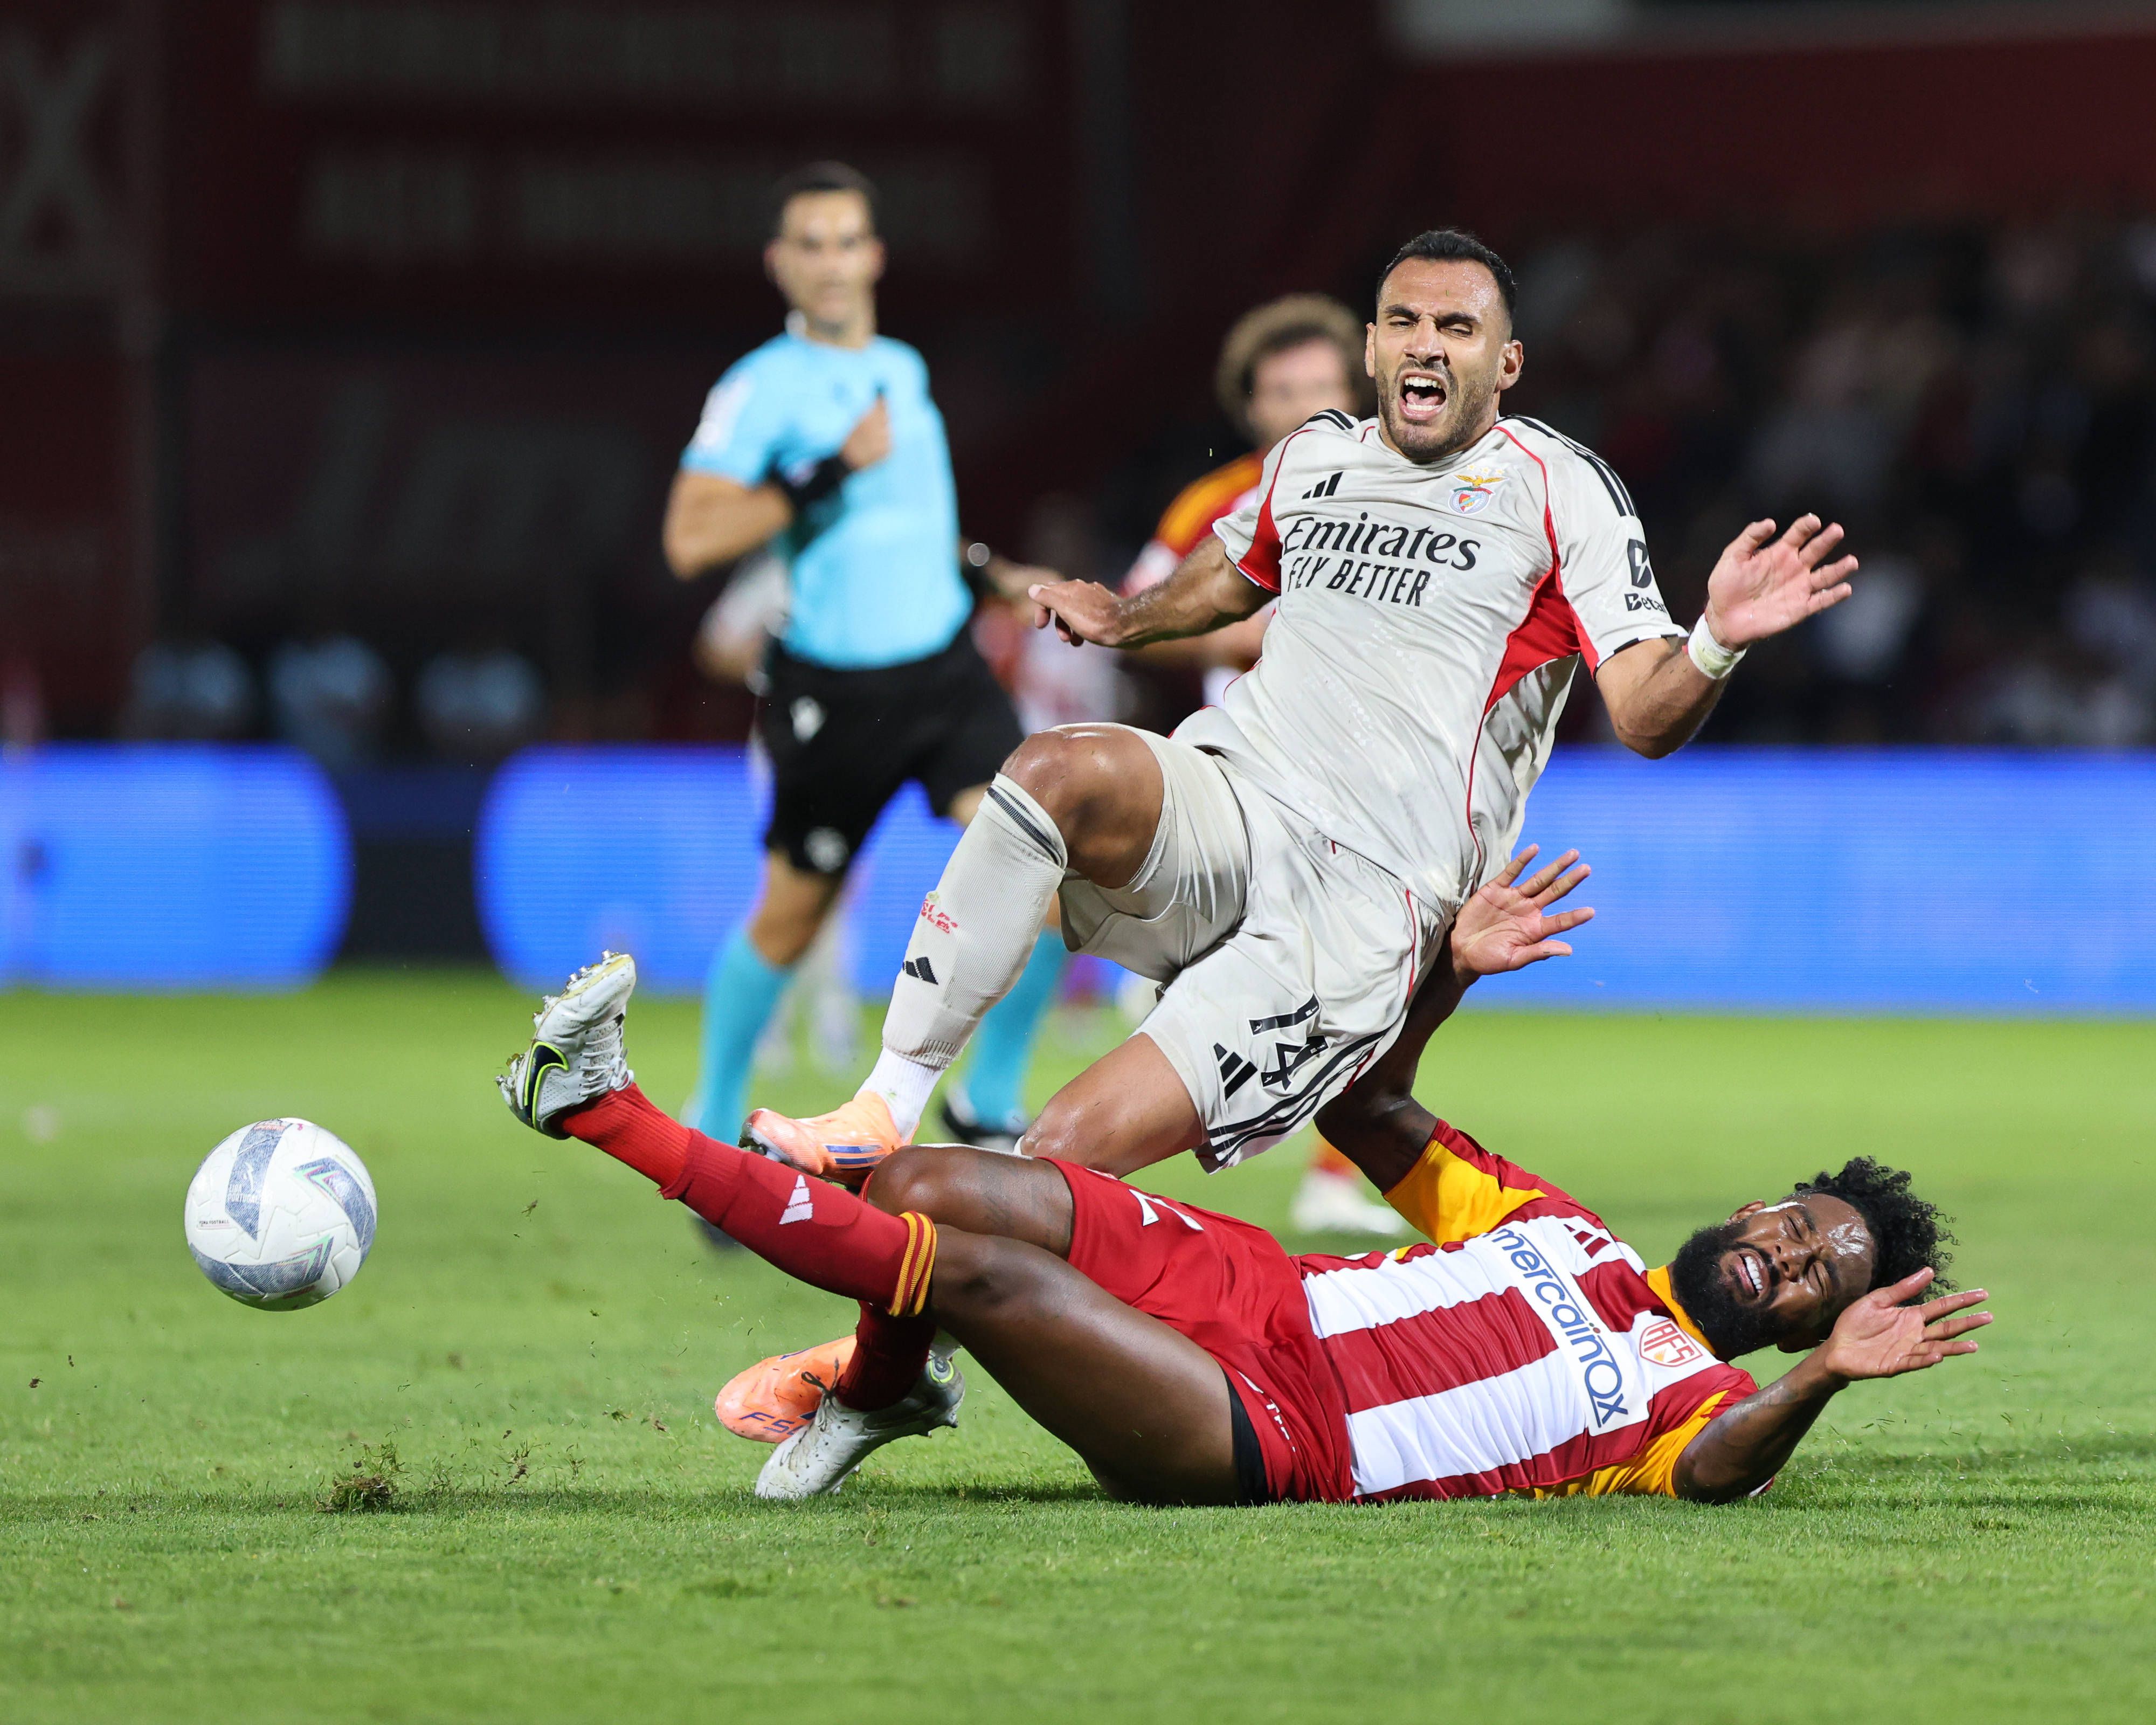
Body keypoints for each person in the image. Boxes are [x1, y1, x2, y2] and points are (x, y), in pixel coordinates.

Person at [741, 226, 1862, 1194]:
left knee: (1054, 1162)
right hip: (1236, 801)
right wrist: (1128, 618)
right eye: (1403, 322)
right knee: (1050, 770)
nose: (1426, 344)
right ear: (1370, 347)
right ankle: (885, 1103)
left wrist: (1715, 638)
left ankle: (893, 1345)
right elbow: (1230, 574)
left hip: (1361, 899)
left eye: (1458, 328)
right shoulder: (1313, 458)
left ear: (1507, 361)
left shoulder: (1560, 487)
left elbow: (1644, 716)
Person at [494, 867, 1987, 1506]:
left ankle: (597, 1106)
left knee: (980, 1275)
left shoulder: (1702, 1411)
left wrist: (1822, 1386)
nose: (1795, 1258)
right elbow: (1370, 1105)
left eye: (1822, 1282)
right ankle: (883, 1392)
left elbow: (1721, 1478)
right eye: (1803, 1225)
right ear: (1759, 1204)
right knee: (929, 1178)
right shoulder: (1557, 1229)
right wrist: (1449, 976)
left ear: (1809, 1328)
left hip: (1275, 1428)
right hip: (1254, 1289)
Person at [660, 161, 1065, 1153]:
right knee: (790, 923)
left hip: (945, 674)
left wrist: (990, 575)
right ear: (780, 262)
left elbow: (909, 530)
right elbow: (689, 539)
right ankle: (713, 1119)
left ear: (876, 255)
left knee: (1053, 882)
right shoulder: (760, 388)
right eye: (812, 244)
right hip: (835, 696)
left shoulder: (904, 369)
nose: (832, 263)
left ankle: (987, 1106)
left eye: (848, 242)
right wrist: (828, 470)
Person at [1123, 293, 1400, 1237]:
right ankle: (1072, 1149)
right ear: (1251, 407)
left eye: (1322, 385)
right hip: (1249, 775)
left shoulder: (1408, 490)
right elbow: (1135, 620)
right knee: (1229, 990)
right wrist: (1236, 635)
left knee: (1378, 972)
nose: (1305, 406)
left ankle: (1334, 1176)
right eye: (1283, 391)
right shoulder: (1217, 506)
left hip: (1374, 775)